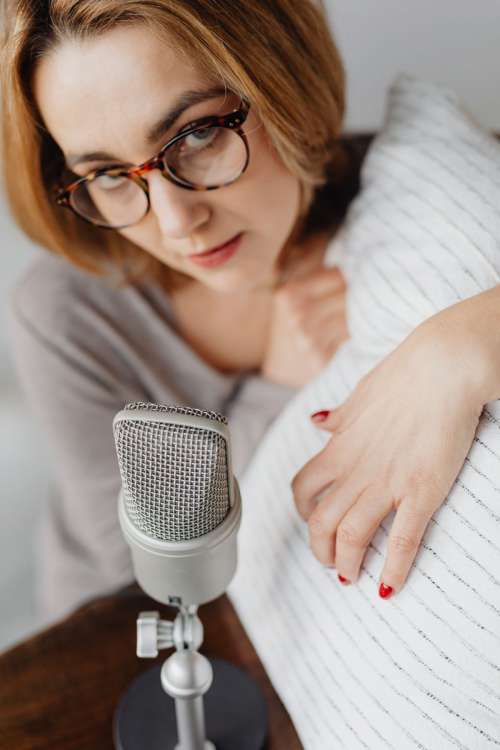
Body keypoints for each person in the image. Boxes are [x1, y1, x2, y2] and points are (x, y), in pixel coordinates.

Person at [1, 0, 498, 629]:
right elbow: (132, 581)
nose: (176, 222)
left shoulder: (411, 197)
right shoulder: (66, 315)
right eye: (107, 174)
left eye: (198, 134)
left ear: (281, 77)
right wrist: (277, 383)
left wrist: (457, 349)